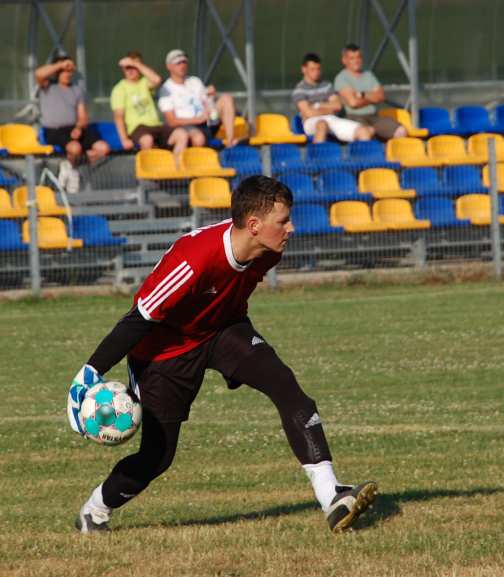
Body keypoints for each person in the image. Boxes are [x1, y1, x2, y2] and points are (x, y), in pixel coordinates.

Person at [66, 175, 377, 533]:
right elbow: (139, 319)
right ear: (255, 225)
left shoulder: (268, 251)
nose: (291, 228)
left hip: (223, 329)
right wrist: (88, 374)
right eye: (283, 221)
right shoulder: (193, 259)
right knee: (157, 457)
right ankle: (94, 512)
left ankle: (332, 497)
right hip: (165, 352)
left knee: (288, 389)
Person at [35, 52, 110, 193]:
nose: (67, 74)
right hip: (54, 130)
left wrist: (79, 128)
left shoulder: (77, 90)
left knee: (103, 148)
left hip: (74, 128)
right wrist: (61, 64)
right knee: (75, 148)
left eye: (70, 71)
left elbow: (83, 116)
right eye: (64, 71)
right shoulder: (47, 86)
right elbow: (39, 74)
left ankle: (70, 166)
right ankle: (72, 168)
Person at [110, 51, 189, 165]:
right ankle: (150, 172)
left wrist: (136, 64)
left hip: (156, 125)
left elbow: (157, 80)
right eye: (127, 68)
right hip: (138, 128)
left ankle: (174, 170)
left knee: (182, 134)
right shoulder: (119, 89)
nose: (131, 70)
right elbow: (118, 116)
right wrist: (124, 139)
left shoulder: (144, 82)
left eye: (134, 67)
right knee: (147, 140)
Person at [158, 49, 238, 148]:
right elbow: (172, 121)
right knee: (198, 139)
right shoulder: (166, 89)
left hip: (206, 122)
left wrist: (211, 97)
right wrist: (197, 120)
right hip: (185, 126)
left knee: (227, 99)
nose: (182, 66)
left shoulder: (195, 81)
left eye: (184, 62)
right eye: (178, 63)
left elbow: (206, 103)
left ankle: (230, 141)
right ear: (169, 66)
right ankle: (195, 158)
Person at [293, 52, 373, 143]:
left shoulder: (327, 85)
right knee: (322, 124)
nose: (316, 72)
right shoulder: (299, 91)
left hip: (332, 119)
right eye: (312, 69)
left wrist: (317, 105)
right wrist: (329, 109)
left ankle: (361, 157)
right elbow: (309, 113)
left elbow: (337, 106)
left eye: (318, 69)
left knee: (364, 131)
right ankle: (317, 156)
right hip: (311, 123)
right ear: (304, 69)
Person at [334, 44, 406, 141]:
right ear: (344, 60)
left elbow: (381, 96)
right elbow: (353, 103)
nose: (356, 61)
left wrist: (362, 94)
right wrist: (372, 98)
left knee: (401, 131)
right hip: (354, 118)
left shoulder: (368, 75)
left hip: (374, 117)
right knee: (366, 134)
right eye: (352, 58)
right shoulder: (341, 78)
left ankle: (392, 154)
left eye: (358, 57)